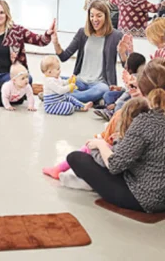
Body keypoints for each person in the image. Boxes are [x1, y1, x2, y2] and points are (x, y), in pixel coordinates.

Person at [66, 58, 165, 213]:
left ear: (143, 91)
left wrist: (100, 144)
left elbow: (115, 165)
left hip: (146, 198)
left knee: (75, 158)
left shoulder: (146, 121)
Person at [43, 97, 149, 179]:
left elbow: (113, 162)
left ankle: (59, 169)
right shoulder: (144, 133)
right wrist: (116, 139)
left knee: (86, 149)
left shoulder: (132, 139)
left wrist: (96, 146)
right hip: (127, 168)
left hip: (118, 171)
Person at [52, 0, 124, 103]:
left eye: (99, 16)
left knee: (103, 89)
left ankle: (60, 96)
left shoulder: (116, 36)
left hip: (100, 83)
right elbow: (64, 56)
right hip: (80, 81)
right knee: (53, 79)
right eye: (92, 16)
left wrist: (123, 52)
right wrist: (55, 42)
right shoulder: (82, 33)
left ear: (106, 17)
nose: (95, 19)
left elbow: (127, 66)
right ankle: (76, 96)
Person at [94, 52, 146, 121]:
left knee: (121, 104)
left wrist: (115, 104)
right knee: (108, 94)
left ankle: (113, 113)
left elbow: (127, 94)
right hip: (126, 95)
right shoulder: (130, 76)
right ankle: (109, 108)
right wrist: (119, 88)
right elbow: (126, 90)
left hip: (132, 99)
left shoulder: (136, 78)